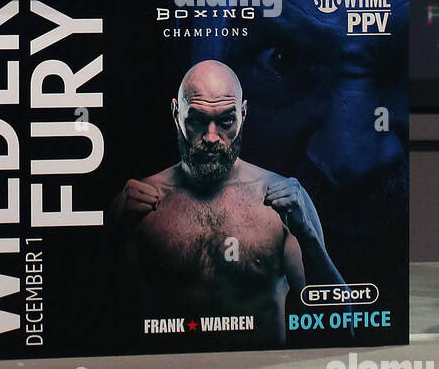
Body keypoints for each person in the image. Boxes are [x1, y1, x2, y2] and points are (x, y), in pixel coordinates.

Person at [110, 60, 343, 348]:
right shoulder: (142, 204)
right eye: (196, 120)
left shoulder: (281, 201)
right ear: (175, 114)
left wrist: (308, 237)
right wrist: (112, 238)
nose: (211, 137)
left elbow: (341, 327)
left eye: (225, 121)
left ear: (243, 115)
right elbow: (103, 327)